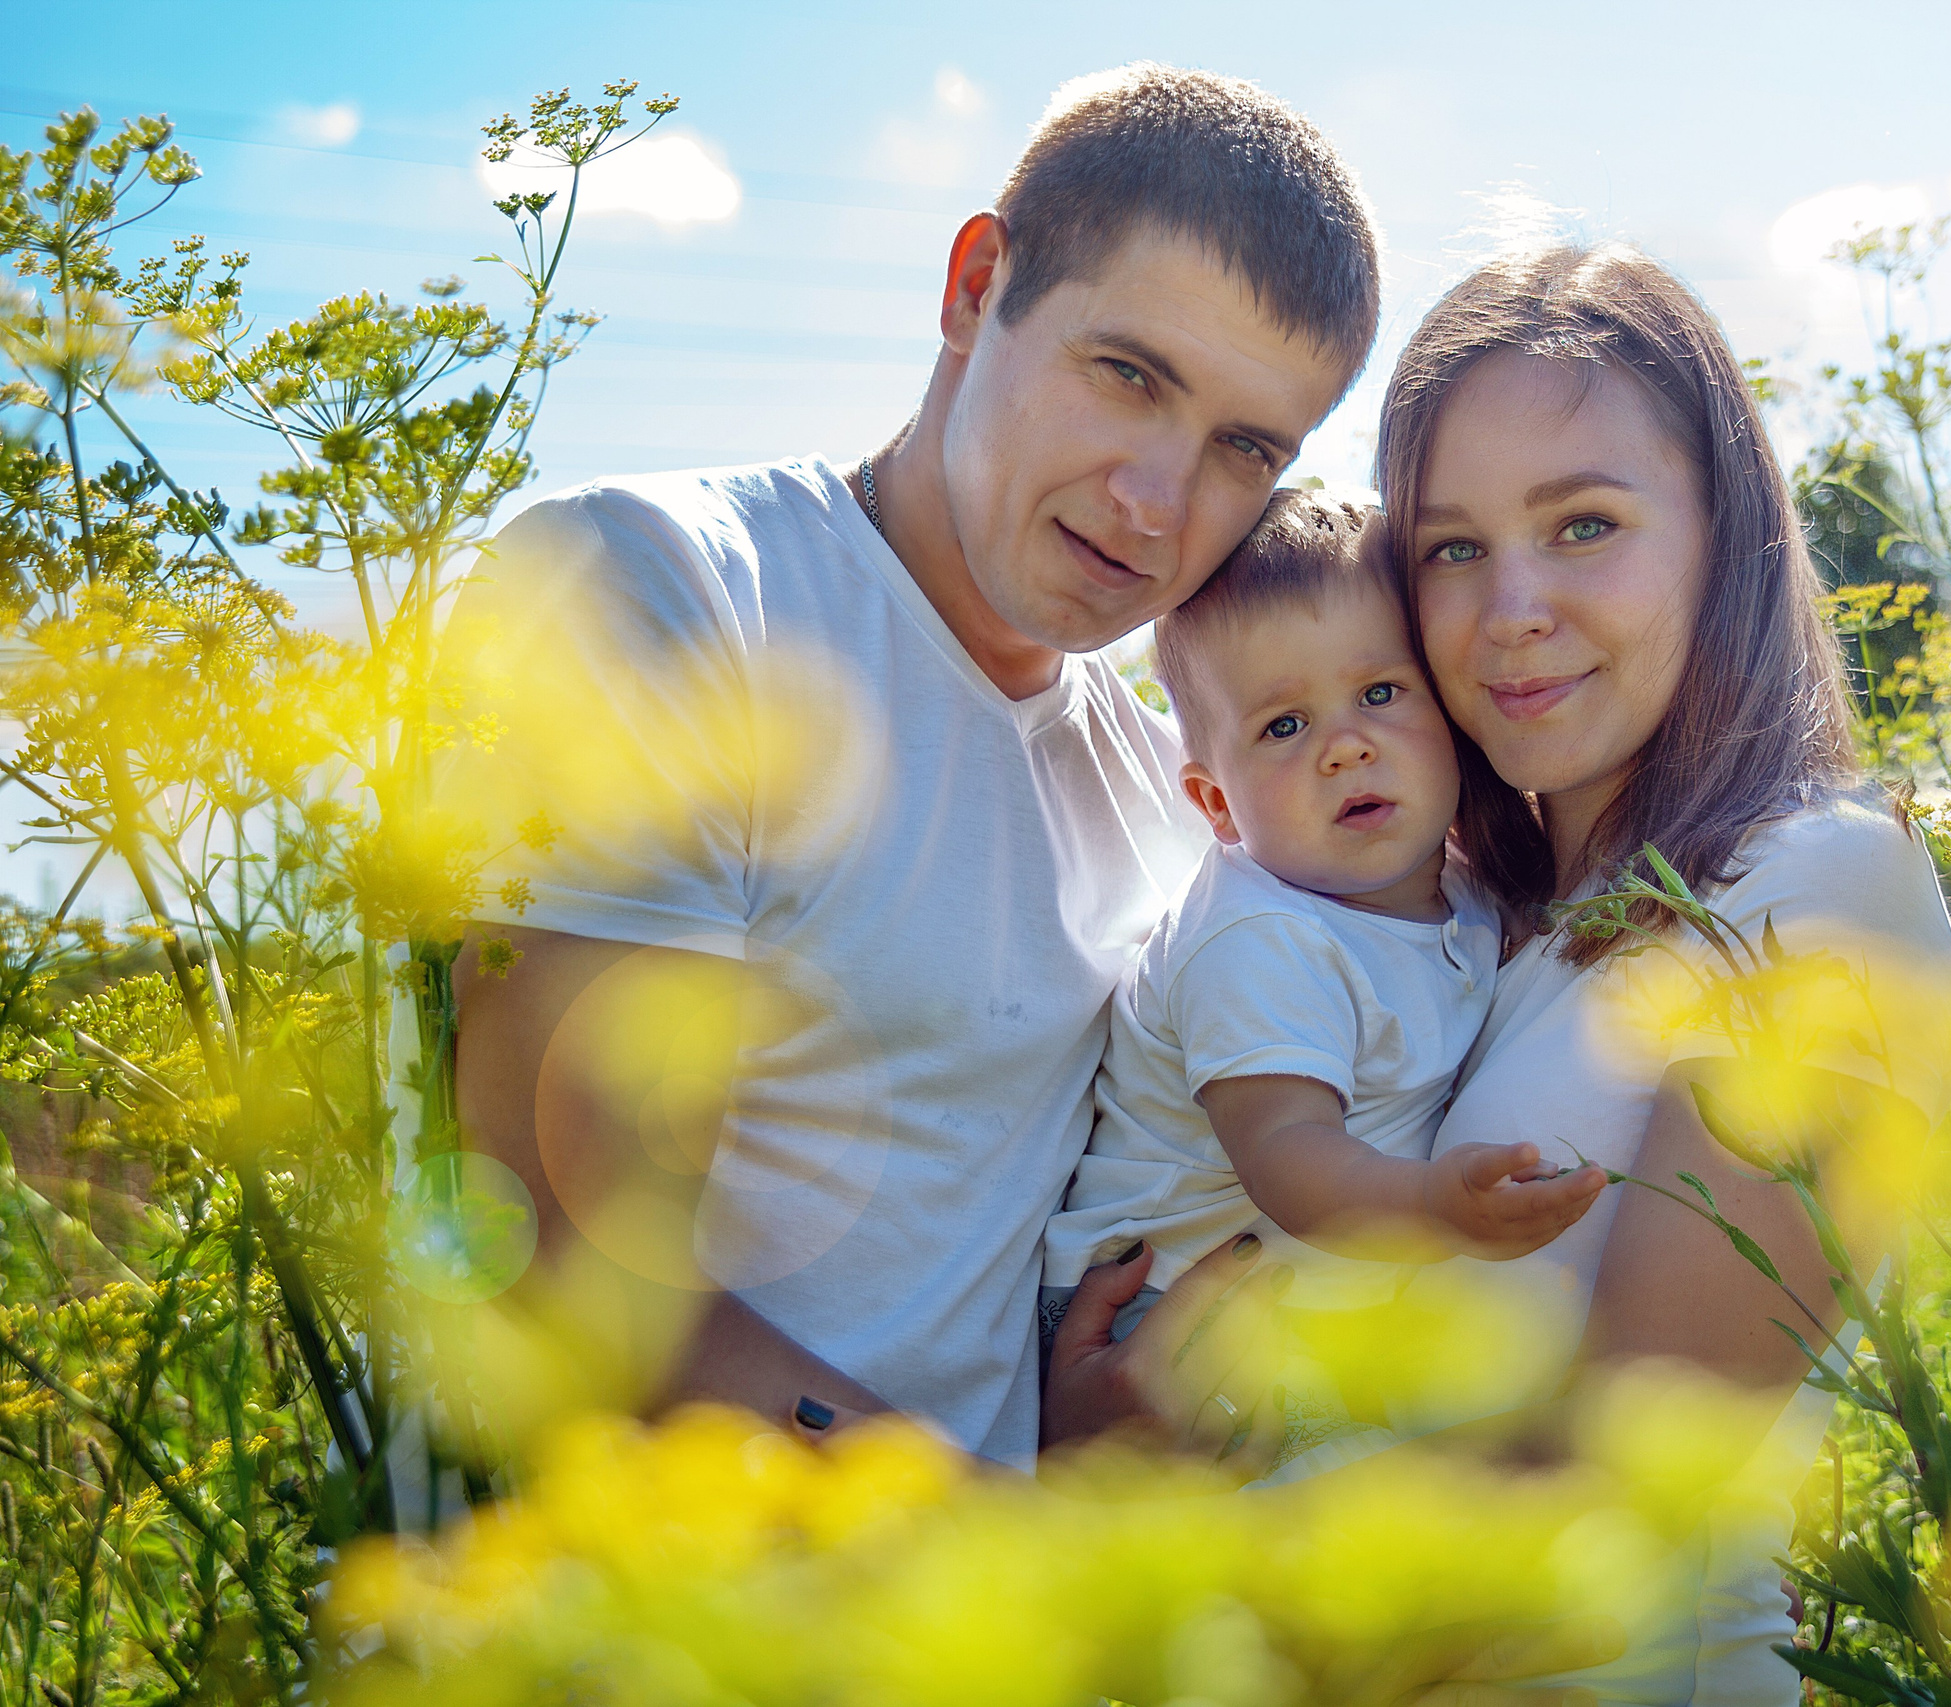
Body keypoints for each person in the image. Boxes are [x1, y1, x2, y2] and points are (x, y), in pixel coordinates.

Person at [450, 63, 1378, 1474]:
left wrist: (1089, 1432)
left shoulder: (1173, 792)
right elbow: (563, 1268)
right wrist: (1007, 1537)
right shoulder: (666, 589)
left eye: (1243, 450)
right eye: (1128, 375)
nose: (1157, 505)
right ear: (974, 287)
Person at [1375, 243, 1951, 1704]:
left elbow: (1605, 1493)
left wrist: (1106, 1591)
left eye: (1583, 524)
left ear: (1727, 533)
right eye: (1451, 548)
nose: (1509, 607)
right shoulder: (1473, 927)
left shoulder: (1819, 884)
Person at [1037, 492, 1605, 1419]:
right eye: (1283, 726)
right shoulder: (1258, 936)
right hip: (1162, 1311)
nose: (1345, 747)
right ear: (1216, 804)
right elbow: (1286, 1151)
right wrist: (1437, 1207)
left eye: (1379, 693)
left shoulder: (1463, 890)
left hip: (1309, 1294)